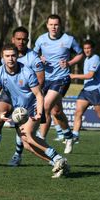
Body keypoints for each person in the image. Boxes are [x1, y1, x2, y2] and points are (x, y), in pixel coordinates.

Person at [0, 44, 69, 178]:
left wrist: (39, 112)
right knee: (27, 145)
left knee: (27, 135)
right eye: (7, 56)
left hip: (34, 107)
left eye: (13, 55)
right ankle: (56, 162)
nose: (10, 59)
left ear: (17, 56)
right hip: (20, 110)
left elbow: (38, 95)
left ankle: (58, 157)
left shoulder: (27, 72)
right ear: (2, 57)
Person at [0, 26, 45, 167]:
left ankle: (17, 155)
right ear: (13, 39)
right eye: (18, 39)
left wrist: (31, 98)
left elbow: (40, 81)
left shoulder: (34, 57)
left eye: (24, 39)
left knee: (21, 126)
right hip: (8, 95)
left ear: (28, 41)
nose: (21, 42)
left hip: (27, 96)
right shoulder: (7, 54)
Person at [34, 14, 84, 154]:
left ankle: (40, 138)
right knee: (57, 111)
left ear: (60, 25)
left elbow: (80, 54)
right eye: (51, 24)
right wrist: (39, 58)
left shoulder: (68, 40)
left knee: (45, 106)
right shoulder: (41, 39)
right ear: (47, 25)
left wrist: (69, 63)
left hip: (62, 78)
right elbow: (33, 54)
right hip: (46, 79)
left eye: (56, 24)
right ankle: (69, 137)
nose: (53, 27)